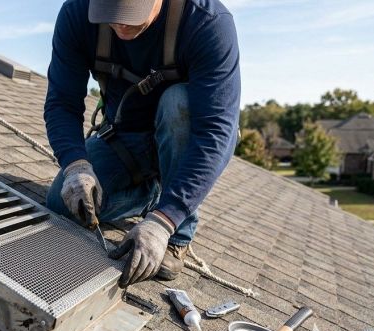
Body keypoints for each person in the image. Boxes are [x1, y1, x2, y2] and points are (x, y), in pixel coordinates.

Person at [43, 0, 240, 287]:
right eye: (110, 13)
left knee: (178, 104)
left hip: (182, 139)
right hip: (124, 140)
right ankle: (149, 195)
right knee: (63, 206)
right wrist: (76, 165)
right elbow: (62, 102)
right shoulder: (77, 13)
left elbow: (215, 132)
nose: (120, 24)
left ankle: (177, 235)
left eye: (130, 13)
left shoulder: (208, 22)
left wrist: (165, 220)